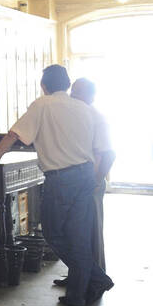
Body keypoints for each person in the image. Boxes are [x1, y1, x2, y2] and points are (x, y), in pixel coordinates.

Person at [0, 65, 113, 306]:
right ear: (67, 84)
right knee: (79, 237)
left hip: (61, 179)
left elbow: (13, 135)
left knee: (52, 234)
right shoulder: (83, 108)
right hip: (85, 175)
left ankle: (96, 276)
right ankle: (77, 295)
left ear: (44, 86)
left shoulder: (42, 105)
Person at [66, 77, 114, 276]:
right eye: (72, 92)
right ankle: (76, 276)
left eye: (78, 93)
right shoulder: (75, 117)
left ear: (91, 96)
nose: (73, 96)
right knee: (75, 234)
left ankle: (96, 277)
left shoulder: (97, 118)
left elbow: (109, 154)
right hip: (75, 181)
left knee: (92, 233)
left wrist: (95, 181)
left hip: (91, 183)